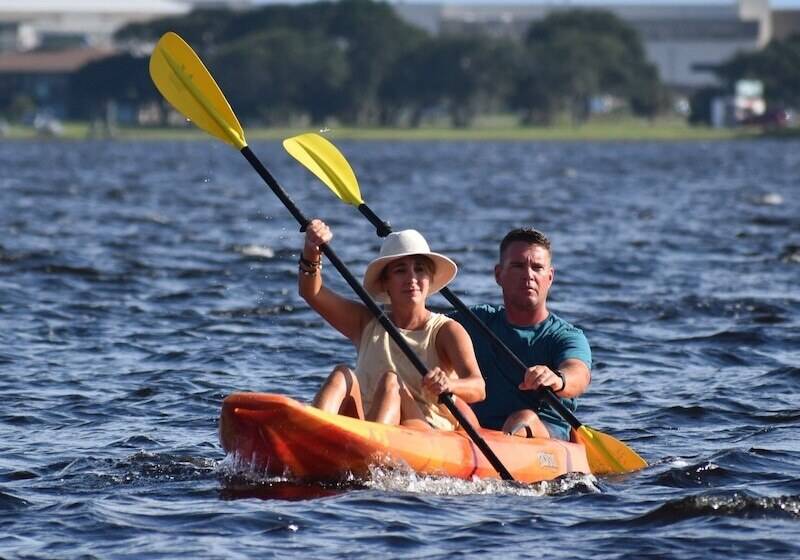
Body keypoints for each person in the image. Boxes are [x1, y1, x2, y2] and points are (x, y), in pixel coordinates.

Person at [299, 219, 485, 431]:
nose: (411, 278)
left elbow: (478, 387)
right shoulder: (366, 322)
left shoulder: (446, 331)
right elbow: (312, 292)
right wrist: (312, 250)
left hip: (423, 430)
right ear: (385, 282)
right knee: (342, 373)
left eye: (420, 269)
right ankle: (311, 433)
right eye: (400, 271)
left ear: (430, 278)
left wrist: (449, 384)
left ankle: (371, 455)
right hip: (366, 425)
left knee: (391, 382)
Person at [451, 227, 591, 440]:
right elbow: (424, 326)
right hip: (476, 431)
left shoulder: (566, 336)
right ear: (499, 275)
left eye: (537, 267)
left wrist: (557, 379)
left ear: (550, 277)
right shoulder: (475, 321)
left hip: (542, 434)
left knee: (523, 417)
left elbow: (578, 374)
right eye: (517, 266)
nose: (528, 275)